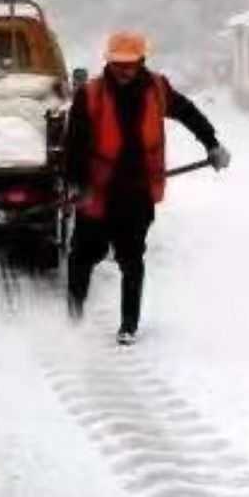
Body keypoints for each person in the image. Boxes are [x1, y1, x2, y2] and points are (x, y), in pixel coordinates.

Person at [64, 30, 231, 345]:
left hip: (137, 192)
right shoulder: (90, 94)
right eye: (118, 64)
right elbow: (74, 146)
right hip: (97, 192)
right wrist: (77, 184)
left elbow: (188, 113)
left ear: (142, 61)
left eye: (131, 64)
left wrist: (212, 143)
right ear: (108, 62)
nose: (125, 71)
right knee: (83, 255)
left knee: (131, 258)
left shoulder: (157, 88)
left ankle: (128, 326)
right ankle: (73, 319)